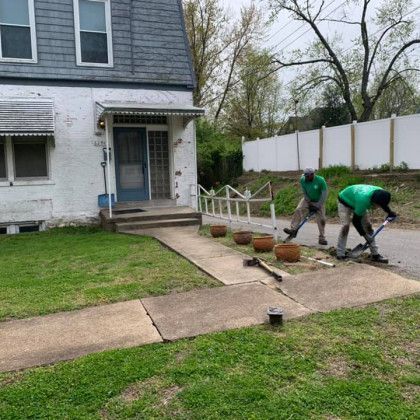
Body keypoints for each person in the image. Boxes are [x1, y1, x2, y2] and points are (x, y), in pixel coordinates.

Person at [336, 184, 397, 262]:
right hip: (344, 201)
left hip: (357, 198)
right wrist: (365, 236)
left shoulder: (381, 193)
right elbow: (356, 221)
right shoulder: (363, 200)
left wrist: (390, 212)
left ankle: (375, 255)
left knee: (368, 227)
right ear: (373, 202)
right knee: (345, 226)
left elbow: (383, 204)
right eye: (378, 205)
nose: (378, 207)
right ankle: (340, 254)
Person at [283, 167, 328, 245]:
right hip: (308, 199)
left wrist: (317, 206)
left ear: (312, 174)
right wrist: (309, 203)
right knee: (298, 209)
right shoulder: (303, 180)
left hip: (319, 201)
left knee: (322, 219)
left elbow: (324, 194)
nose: (306, 178)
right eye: (305, 176)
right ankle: (293, 229)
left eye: (308, 176)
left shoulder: (320, 180)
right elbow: (305, 193)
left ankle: (322, 238)